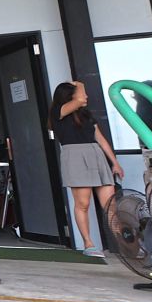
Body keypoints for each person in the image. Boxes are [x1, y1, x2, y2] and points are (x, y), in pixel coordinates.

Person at [49, 81, 124, 258]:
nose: (86, 96)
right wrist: (81, 84)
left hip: (95, 154)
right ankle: (88, 244)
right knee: (83, 203)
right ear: (70, 95)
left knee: (110, 204)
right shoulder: (58, 111)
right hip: (75, 156)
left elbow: (101, 139)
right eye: (81, 92)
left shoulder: (86, 114)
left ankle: (124, 244)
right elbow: (82, 98)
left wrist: (115, 162)